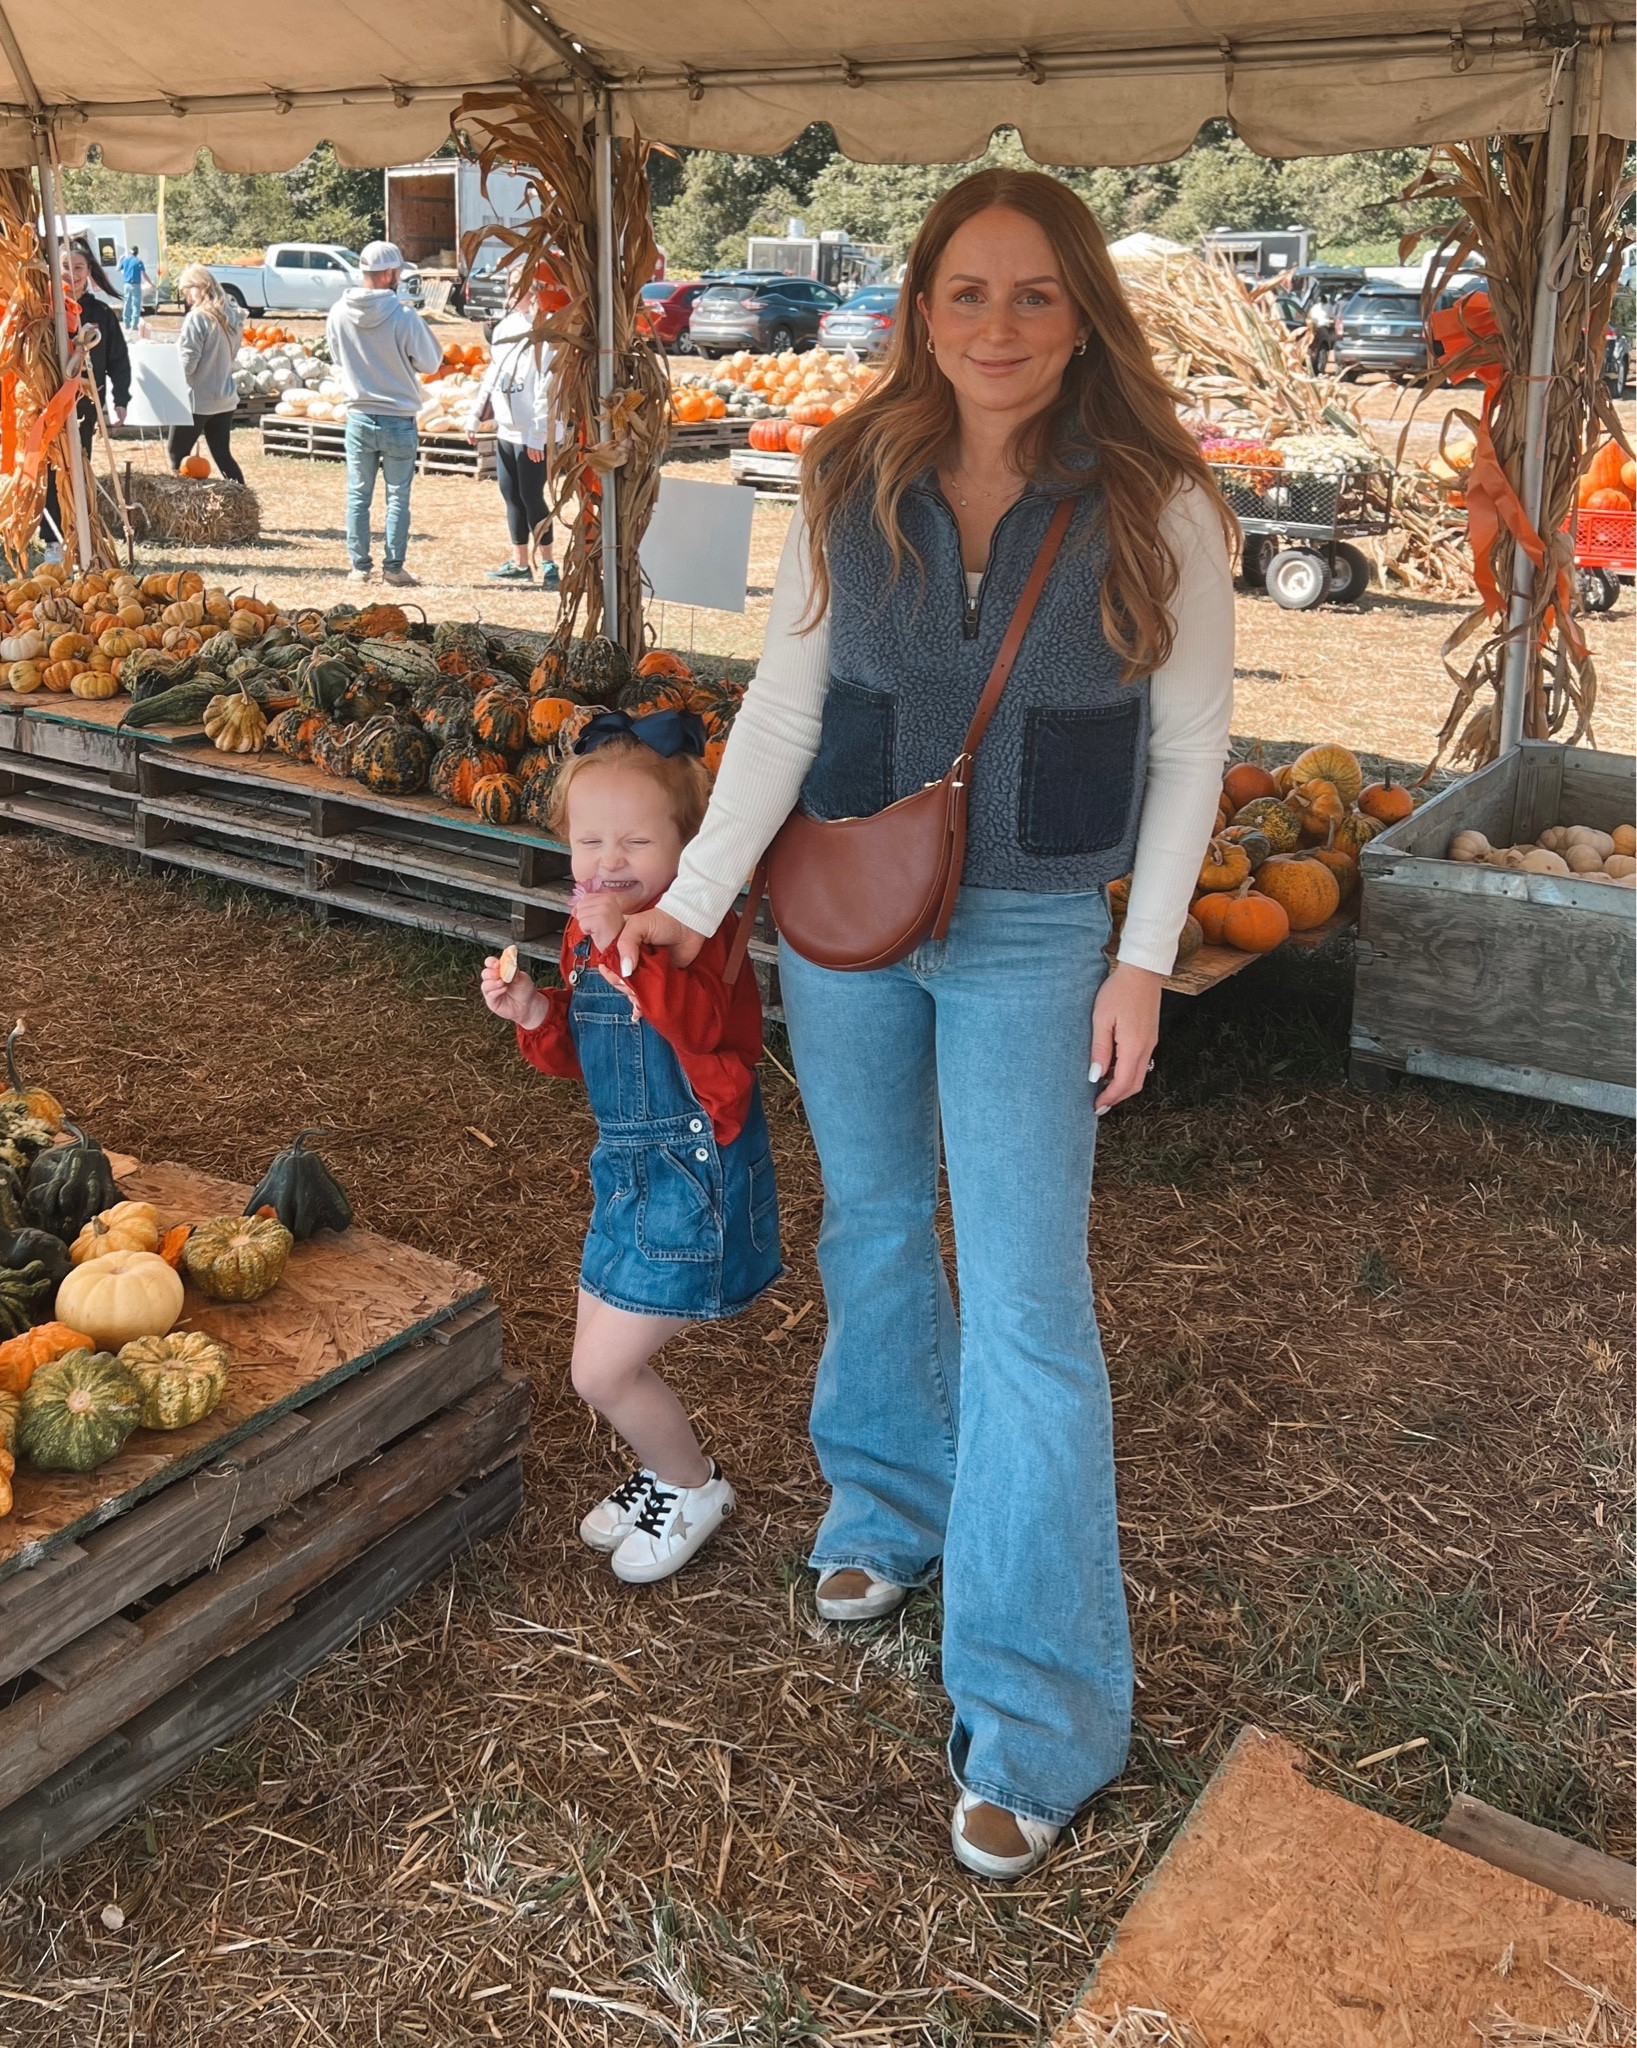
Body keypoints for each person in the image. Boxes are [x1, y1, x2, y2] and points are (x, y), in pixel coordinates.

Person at [615, 169, 1236, 1880]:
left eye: (1035, 296)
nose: (998, 328)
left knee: (1032, 1307)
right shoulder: (846, 475)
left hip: (1036, 929)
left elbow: (1188, 750)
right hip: (843, 910)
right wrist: (700, 889)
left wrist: (1141, 959)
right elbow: (789, 705)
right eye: (967, 293)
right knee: (875, 1216)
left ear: (1083, 311)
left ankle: (1038, 1713)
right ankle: (887, 1500)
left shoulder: (1153, 501)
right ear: (918, 308)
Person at [479, 712, 781, 1583]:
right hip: (623, 1172)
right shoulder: (587, 931)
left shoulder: (704, 941)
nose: (608, 862)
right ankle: (661, 1470)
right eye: (589, 841)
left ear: (694, 848)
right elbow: (586, 1054)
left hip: (694, 1177)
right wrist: (535, 1015)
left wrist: (627, 949)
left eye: (637, 842)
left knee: (599, 1374)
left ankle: (692, 1485)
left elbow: (701, 1036)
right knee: (600, 1353)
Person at [325, 239, 441, 587]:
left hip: (359, 415)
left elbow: (336, 358)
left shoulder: (337, 312)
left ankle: (359, 567)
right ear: (389, 273)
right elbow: (432, 361)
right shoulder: (404, 316)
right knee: (397, 497)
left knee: (358, 495)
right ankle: (393, 567)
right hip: (398, 416)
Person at [41, 241, 129, 563]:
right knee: (52, 471)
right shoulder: (45, 310)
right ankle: (53, 539)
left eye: (78, 268)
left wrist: (121, 397)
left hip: (85, 405)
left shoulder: (101, 314)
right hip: (48, 403)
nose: (71, 273)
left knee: (80, 466)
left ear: (89, 273)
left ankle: (81, 533)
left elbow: (119, 359)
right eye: (65, 266)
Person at [471, 273, 559, 590]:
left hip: (532, 433)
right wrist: (475, 415)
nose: (511, 291)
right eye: (509, 285)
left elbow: (547, 387)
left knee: (531, 495)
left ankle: (549, 563)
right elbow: (493, 374)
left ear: (536, 289)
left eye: (518, 286)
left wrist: (537, 434)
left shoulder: (546, 331)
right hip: (507, 429)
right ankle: (520, 562)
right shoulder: (505, 327)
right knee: (510, 494)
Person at [168, 264, 246, 485]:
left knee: (177, 455)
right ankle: (242, 502)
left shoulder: (198, 318)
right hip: (225, 396)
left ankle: (182, 508)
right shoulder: (232, 315)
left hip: (196, 399)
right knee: (223, 455)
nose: (186, 298)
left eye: (186, 291)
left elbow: (188, 363)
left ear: (198, 287)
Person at [117, 245, 149, 331]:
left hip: (126, 284)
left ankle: (126, 324)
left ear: (129, 252)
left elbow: (118, 269)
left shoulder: (125, 260)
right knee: (136, 305)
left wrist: (120, 259)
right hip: (135, 285)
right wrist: (150, 283)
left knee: (127, 303)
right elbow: (143, 274)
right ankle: (134, 324)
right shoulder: (138, 261)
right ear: (137, 252)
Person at [1306, 290, 1337, 375]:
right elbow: (1332, 316)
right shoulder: (1329, 306)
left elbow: (1310, 316)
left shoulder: (1314, 307)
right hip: (1325, 327)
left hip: (1315, 326)